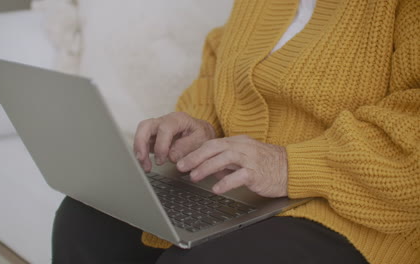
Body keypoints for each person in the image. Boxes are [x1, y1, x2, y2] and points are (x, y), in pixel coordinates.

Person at [52, 0, 420, 263]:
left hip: (359, 207)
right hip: (238, 189)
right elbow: (221, 63)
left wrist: (287, 166)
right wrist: (201, 123)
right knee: (86, 217)